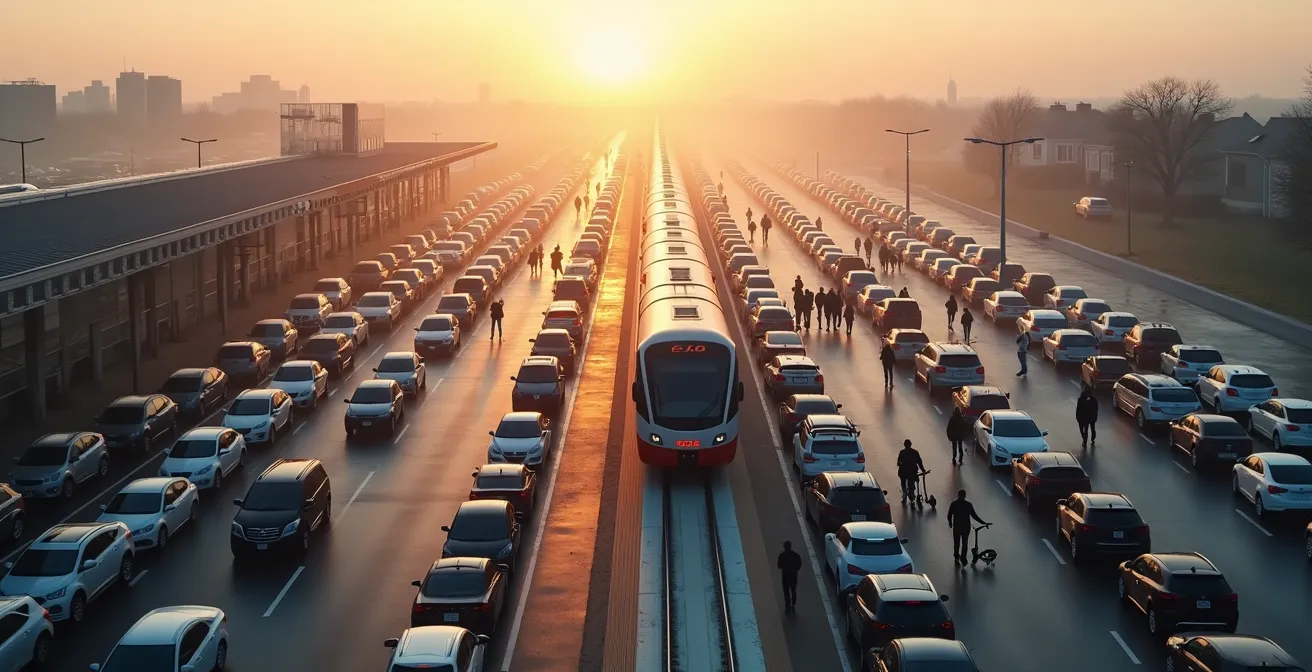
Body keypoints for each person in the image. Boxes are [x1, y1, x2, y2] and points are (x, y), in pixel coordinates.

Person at [947, 490, 988, 565]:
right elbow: (974, 516)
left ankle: (956, 555)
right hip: (966, 527)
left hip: (957, 527)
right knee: (965, 543)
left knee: (957, 542)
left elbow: (949, 515)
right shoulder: (968, 505)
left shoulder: (954, 504)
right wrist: (983, 523)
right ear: (965, 496)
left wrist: (950, 522)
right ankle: (963, 558)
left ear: (958, 495)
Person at [896, 440, 925, 504]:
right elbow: (919, 462)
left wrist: (901, 463)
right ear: (910, 444)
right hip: (912, 472)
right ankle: (911, 496)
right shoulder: (915, 452)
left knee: (903, 483)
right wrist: (923, 470)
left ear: (904, 445)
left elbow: (898, 462)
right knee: (911, 484)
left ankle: (905, 494)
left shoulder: (902, 452)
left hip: (903, 472)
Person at [777, 541, 802, 613]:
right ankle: (793, 603)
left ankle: (787, 603)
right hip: (793, 575)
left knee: (786, 590)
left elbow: (779, 566)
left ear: (784, 547)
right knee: (793, 589)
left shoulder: (781, 555)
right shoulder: (796, 555)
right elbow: (799, 565)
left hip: (785, 576)